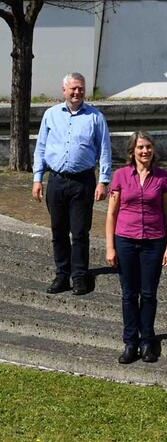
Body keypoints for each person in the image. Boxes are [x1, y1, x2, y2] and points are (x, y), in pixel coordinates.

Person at [31, 72, 113, 296]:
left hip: (83, 182)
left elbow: (105, 150)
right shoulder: (50, 115)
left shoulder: (95, 117)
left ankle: (79, 276)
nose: (77, 92)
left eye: (81, 88)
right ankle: (61, 274)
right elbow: (41, 148)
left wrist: (104, 181)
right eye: (73, 88)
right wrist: (37, 179)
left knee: (79, 232)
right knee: (58, 231)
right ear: (64, 90)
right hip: (56, 181)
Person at [105, 132, 167, 364]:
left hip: (154, 242)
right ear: (132, 151)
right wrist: (110, 247)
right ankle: (130, 342)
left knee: (148, 294)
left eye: (148, 147)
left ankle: (147, 341)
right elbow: (111, 213)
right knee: (128, 294)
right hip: (125, 240)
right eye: (140, 147)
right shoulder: (120, 175)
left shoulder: (162, 177)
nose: (145, 151)